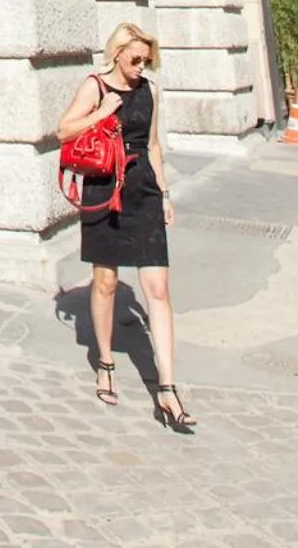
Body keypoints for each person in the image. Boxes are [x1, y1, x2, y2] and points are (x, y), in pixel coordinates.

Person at [56, 21, 196, 432]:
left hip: (143, 191)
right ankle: (105, 362)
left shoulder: (150, 90)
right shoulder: (95, 86)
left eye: (146, 60)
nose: (141, 67)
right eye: (135, 59)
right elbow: (63, 129)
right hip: (105, 188)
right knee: (106, 283)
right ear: (116, 54)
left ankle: (167, 387)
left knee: (158, 288)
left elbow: (152, 144)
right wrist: (101, 113)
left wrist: (165, 194)